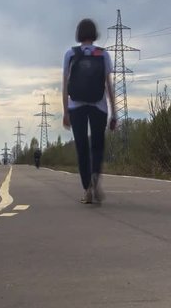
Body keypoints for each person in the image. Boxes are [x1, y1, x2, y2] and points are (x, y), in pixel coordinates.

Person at [62, 18, 117, 204]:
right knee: (97, 145)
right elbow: (109, 85)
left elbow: (65, 85)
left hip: (76, 106)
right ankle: (95, 175)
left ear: (78, 34)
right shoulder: (103, 55)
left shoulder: (70, 54)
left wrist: (65, 112)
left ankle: (87, 189)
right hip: (99, 106)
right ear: (94, 34)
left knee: (82, 148)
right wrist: (114, 112)